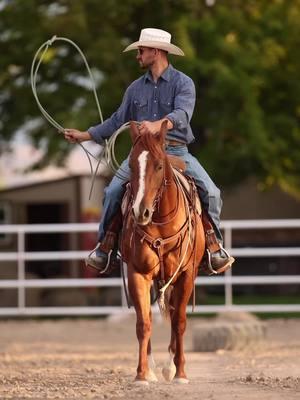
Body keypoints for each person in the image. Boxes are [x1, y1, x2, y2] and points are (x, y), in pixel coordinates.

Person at [64, 28, 234, 274]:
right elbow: (117, 120)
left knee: (213, 193)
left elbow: (183, 115)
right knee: (112, 191)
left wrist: (158, 124)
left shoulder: (183, 83)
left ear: (156, 52)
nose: (138, 56)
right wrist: (85, 134)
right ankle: (105, 247)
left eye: (141, 51)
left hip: (176, 151)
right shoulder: (135, 89)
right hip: (144, 155)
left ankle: (213, 246)